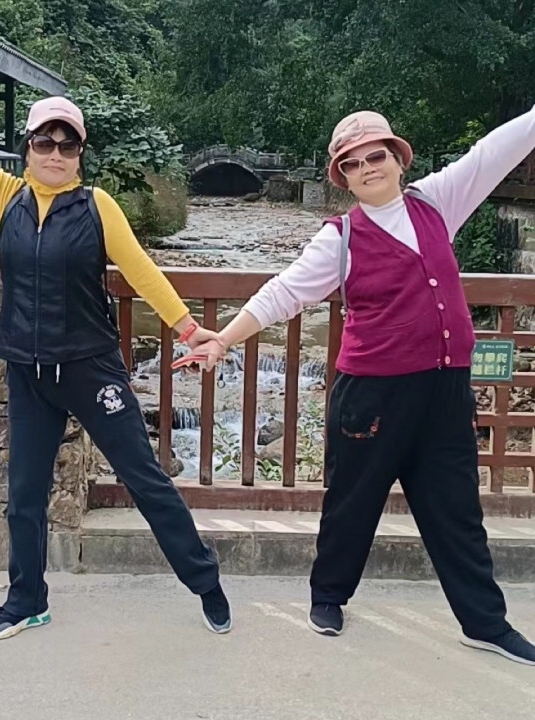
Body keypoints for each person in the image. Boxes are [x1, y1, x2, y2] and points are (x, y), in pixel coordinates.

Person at [0, 26, 232, 641]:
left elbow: (142, 270)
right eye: (44, 141)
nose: (55, 153)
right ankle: (26, 599)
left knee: (145, 480)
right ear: (28, 147)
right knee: (24, 497)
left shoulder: (97, 206)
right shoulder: (2, 197)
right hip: (29, 371)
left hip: (91, 367)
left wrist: (190, 329)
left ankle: (205, 582)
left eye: (67, 143)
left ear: (79, 153)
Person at [192, 106, 535, 665]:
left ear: (398, 159)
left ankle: (485, 623)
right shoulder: (342, 238)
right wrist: (224, 339)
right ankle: (328, 597)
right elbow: (285, 292)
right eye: (352, 163)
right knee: (353, 503)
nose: (367, 167)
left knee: (457, 513)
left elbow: (494, 151)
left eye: (376, 155)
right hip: (372, 395)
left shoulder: (436, 202)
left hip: (444, 391)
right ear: (344, 178)